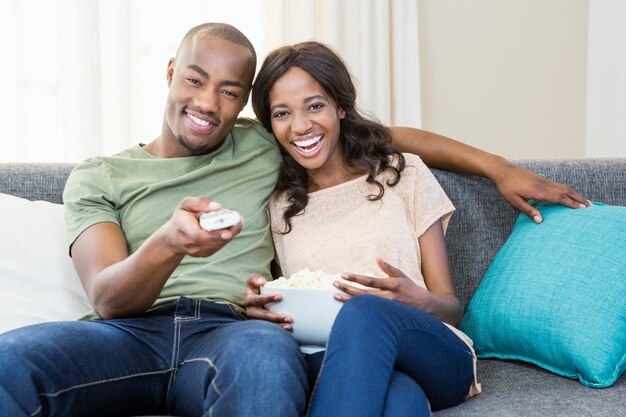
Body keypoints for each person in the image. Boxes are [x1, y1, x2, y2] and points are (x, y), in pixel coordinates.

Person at [0, 22, 586, 417]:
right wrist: (186, 250)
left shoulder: (309, 152)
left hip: (245, 333)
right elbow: (106, 297)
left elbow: (379, 139)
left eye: (231, 92)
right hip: (136, 332)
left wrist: (498, 167)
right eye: (196, 81)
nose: (208, 104)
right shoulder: (110, 175)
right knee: (12, 361)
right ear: (171, 70)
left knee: (287, 355)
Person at [246, 41, 478, 416]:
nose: (301, 125)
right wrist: (261, 306)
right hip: (331, 359)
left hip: (433, 351)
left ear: (340, 106)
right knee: (402, 401)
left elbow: (450, 308)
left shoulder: (404, 174)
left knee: (364, 310)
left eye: (315, 105)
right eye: (282, 113)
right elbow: (283, 302)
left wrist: (420, 300)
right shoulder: (278, 206)